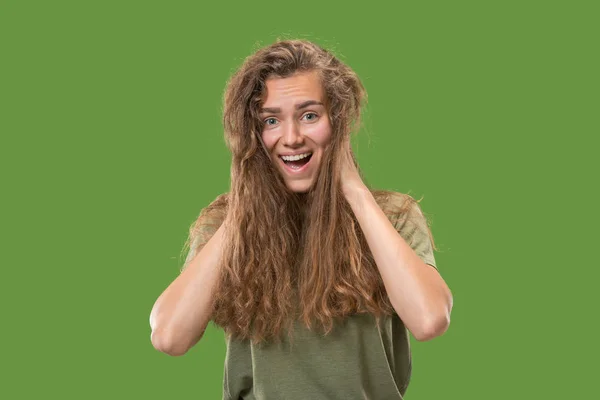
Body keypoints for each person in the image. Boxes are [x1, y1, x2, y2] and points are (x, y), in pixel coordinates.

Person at [149, 39, 453, 400]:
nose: (291, 138)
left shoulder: (393, 216)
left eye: (310, 115)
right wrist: (246, 203)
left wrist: (353, 189)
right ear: (253, 134)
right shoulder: (223, 225)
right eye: (271, 121)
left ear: (337, 122)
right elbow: (169, 336)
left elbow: (430, 319)